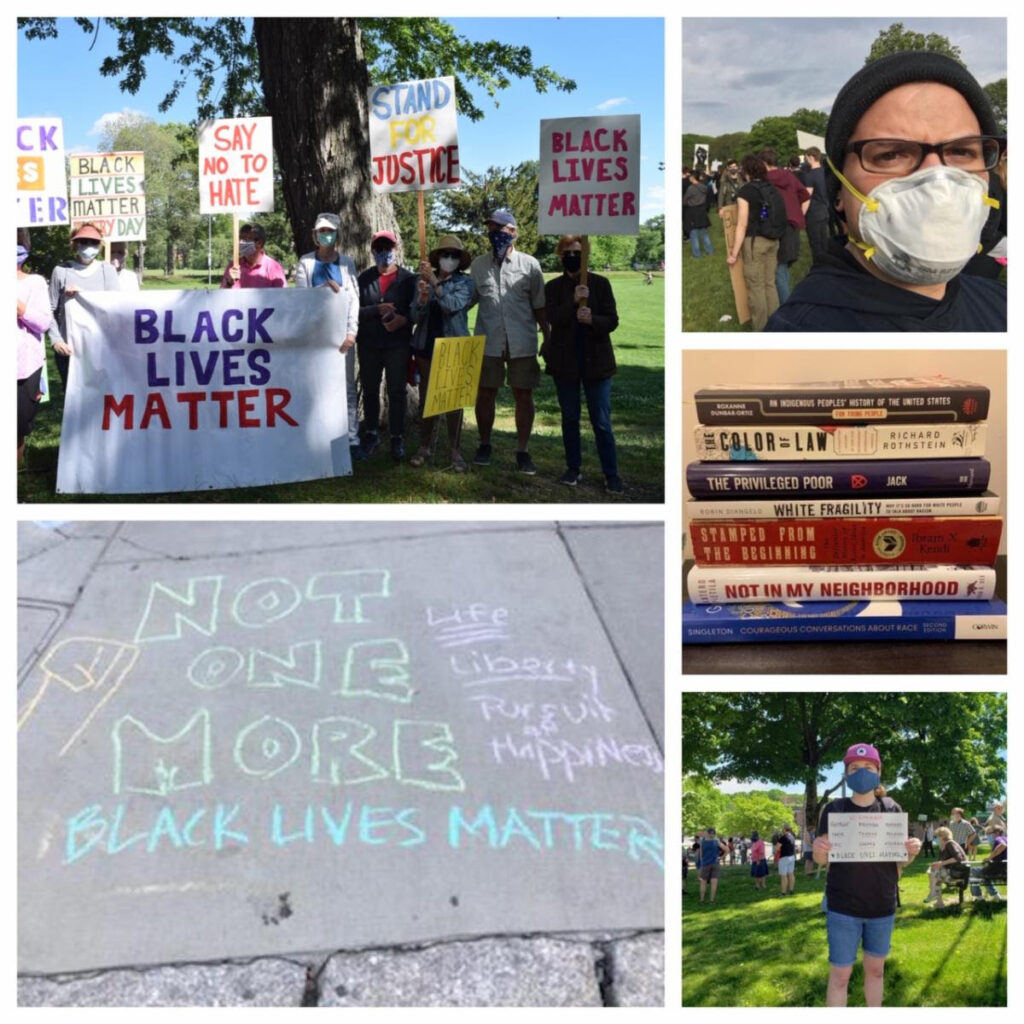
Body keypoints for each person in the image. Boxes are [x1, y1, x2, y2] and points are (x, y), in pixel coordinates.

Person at [766, 51, 1006, 331]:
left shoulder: (1002, 304)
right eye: (891, 154)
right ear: (839, 190)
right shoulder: (798, 335)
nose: (938, 183)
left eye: (962, 151)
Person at [813, 743, 921, 1007]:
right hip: (842, 907)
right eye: (855, 767)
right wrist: (818, 849)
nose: (861, 772)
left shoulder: (891, 809)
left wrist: (912, 852)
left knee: (876, 971)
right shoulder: (834, 810)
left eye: (868, 767)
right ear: (846, 773)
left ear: (878, 771)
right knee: (840, 976)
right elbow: (821, 860)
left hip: (881, 906)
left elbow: (900, 862)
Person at [468, 208, 549, 474]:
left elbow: (539, 306)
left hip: (522, 341)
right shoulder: (478, 265)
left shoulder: (530, 265)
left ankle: (523, 450)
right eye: (491, 229)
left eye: (500, 229)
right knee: (485, 393)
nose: (495, 234)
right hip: (488, 341)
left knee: (523, 394)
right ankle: (484, 444)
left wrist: (547, 338)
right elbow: (466, 301)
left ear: (513, 232)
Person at [543, 235, 623, 493]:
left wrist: (593, 320)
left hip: (597, 365)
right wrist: (573, 302)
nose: (572, 256)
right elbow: (552, 317)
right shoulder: (553, 287)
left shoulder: (600, 284)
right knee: (569, 418)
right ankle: (573, 468)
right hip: (565, 364)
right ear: (560, 255)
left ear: (585, 254)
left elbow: (612, 320)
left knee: (601, 422)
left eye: (577, 252)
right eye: (567, 252)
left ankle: (611, 474)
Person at [294, 212, 360, 457]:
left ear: (337, 235)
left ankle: (351, 439)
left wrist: (351, 333)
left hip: (342, 339)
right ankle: (315, 437)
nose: (325, 235)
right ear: (314, 235)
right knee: (314, 387)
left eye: (329, 231)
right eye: (321, 231)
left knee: (347, 389)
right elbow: (300, 299)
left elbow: (353, 300)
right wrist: (321, 290)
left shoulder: (347, 263)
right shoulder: (306, 263)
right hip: (314, 338)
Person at [408, 234, 476, 472]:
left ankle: (455, 450)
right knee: (427, 399)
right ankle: (424, 446)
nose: (449, 259)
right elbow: (414, 316)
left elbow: (453, 306)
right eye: (445, 255)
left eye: (454, 255)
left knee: (453, 402)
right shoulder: (423, 281)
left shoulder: (466, 283)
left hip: (453, 347)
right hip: (426, 347)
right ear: (437, 258)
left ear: (460, 260)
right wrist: (422, 298)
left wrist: (435, 284)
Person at [356, 231, 416, 461]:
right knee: (370, 389)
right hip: (369, 344)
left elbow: (417, 311)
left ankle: (397, 437)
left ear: (396, 249)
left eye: (388, 247)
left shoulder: (408, 279)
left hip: (397, 345)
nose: (384, 252)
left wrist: (405, 320)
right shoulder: (364, 279)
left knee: (397, 391)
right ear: (372, 250)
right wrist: (375, 310)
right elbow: (353, 312)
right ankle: (371, 434)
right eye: (379, 248)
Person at [48, 222, 121, 388]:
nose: (88, 246)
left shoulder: (107, 270)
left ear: (100, 245)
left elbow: (115, 307)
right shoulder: (61, 271)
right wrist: (56, 340)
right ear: (75, 244)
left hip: (100, 349)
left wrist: (84, 295)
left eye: (93, 242)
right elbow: (49, 310)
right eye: (84, 241)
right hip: (69, 351)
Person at [726, 155, 780, 331]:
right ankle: (775, 324)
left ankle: (761, 329)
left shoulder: (746, 192)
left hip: (755, 243)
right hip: (773, 240)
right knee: (770, 283)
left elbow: (742, 224)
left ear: (746, 171)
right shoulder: (770, 187)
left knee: (756, 287)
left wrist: (734, 253)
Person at [759, 147, 810, 303]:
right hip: (792, 225)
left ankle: (786, 305)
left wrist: (762, 219)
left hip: (776, 227)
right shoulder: (789, 175)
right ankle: (787, 298)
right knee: (783, 265)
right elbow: (806, 197)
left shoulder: (763, 180)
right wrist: (799, 214)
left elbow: (763, 207)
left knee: (779, 268)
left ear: (763, 163)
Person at [17, 244, 52, 467]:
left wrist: (21, 310)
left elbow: (44, 323)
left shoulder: (35, 282)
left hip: (23, 367)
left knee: (16, 430)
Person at [221, 223, 287, 288]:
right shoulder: (233, 266)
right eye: (240, 239)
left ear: (259, 243)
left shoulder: (274, 267)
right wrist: (229, 283)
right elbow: (221, 297)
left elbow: (283, 296)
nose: (241, 243)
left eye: (245, 239)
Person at [923, 826, 967, 908]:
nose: (935, 838)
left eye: (937, 836)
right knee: (934, 873)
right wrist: (936, 863)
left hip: (958, 873)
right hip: (951, 871)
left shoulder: (949, 843)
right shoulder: (942, 846)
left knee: (934, 874)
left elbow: (958, 858)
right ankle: (939, 902)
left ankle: (933, 894)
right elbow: (940, 862)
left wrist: (942, 863)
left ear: (942, 836)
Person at [801, 147, 831, 262]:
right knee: (824, 240)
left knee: (815, 243)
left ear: (811, 157)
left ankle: (820, 266)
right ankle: (827, 262)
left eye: (806, 157)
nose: (806, 159)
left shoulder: (809, 175)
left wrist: (802, 214)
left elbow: (807, 197)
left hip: (813, 213)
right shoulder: (825, 173)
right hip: (825, 210)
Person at [684, 173, 715, 258]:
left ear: (693, 177)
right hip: (702, 210)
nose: (689, 177)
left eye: (690, 176)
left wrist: (687, 203)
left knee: (693, 233)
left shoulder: (691, 188)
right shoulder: (704, 186)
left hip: (693, 211)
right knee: (704, 232)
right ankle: (710, 251)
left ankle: (697, 254)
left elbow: (685, 200)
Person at [969, 832, 1006, 900]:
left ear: (995, 833)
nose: (988, 836)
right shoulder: (1007, 838)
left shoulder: (999, 838)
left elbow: (1003, 845)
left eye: (989, 833)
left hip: (998, 870)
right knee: (984, 874)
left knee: (973, 871)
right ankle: (996, 897)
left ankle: (979, 898)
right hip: (1004, 871)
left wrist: (989, 857)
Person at [698, 826, 728, 905]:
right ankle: (712, 901)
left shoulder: (702, 843)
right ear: (714, 834)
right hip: (715, 863)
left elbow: (701, 855)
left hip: (705, 864)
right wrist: (721, 858)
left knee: (703, 883)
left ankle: (702, 900)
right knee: (714, 883)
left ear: (707, 833)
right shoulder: (716, 842)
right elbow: (727, 850)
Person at [776, 824, 796, 895]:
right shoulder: (792, 837)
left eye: (782, 829)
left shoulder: (783, 837)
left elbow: (777, 848)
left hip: (784, 857)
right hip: (792, 857)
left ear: (784, 829)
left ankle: (783, 892)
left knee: (783, 875)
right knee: (791, 874)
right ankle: (791, 890)